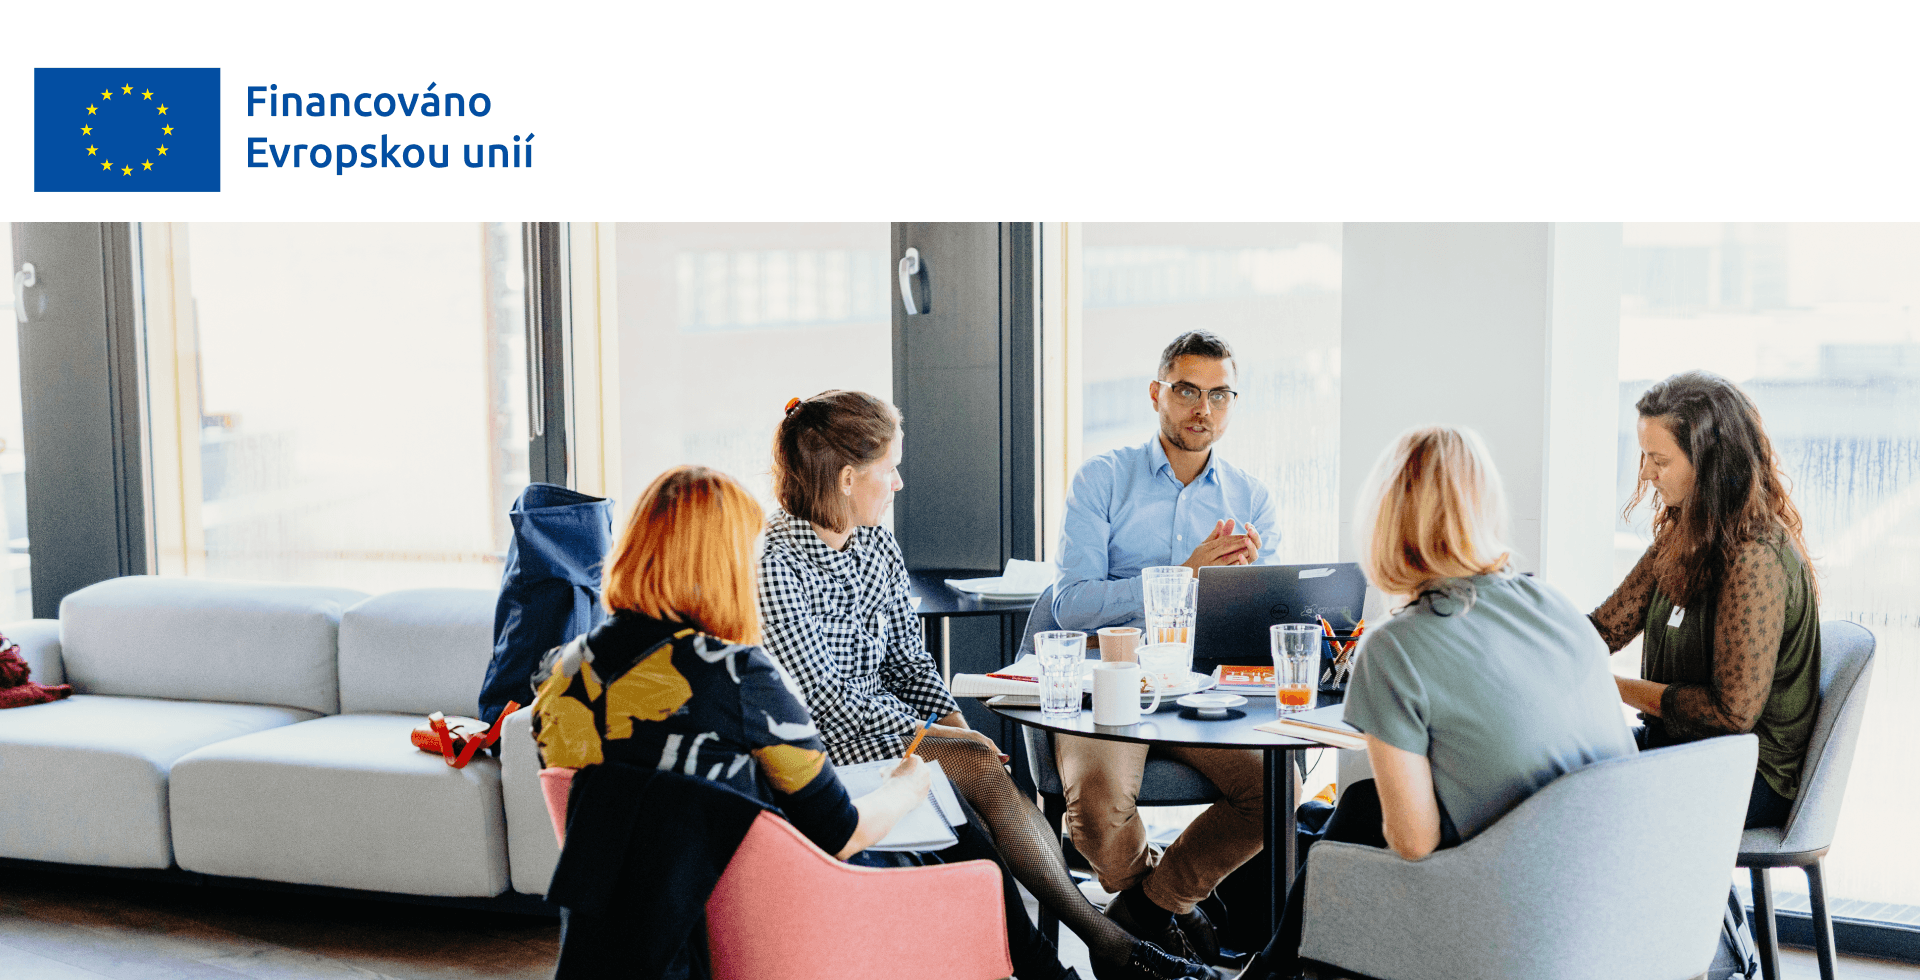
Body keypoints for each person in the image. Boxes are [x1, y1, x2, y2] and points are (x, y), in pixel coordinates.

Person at [530, 465, 1077, 980]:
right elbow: (840, 834)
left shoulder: (558, 674)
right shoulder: (738, 674)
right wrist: (907, 787)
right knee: (960, 835)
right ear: (725, 567)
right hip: (773, 909)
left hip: (656, 914)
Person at [758, 391, 1212, 980]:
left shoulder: (875, 544)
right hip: (824, 751)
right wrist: (945, 742)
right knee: (976, 783)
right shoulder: (775, 562)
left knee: (979, 779)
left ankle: (1086, 957)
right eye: (890, 469)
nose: (898, 483)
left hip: (886, 734)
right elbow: (826, 704)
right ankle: (1104, 949)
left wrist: (957, 730)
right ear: (847, 479)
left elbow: (908, 664)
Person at [1237, 425, 1637, 980]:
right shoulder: (1556, 606)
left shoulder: (1396, 646)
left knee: (1352, 832)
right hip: (1616, 904)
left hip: (1513, 927)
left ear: (1385, 518)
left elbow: (1414, 843)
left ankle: (1265, 971)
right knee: (1357, 806)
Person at [1050, 330, 1275, 965]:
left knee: (1274, 792)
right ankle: (1164, 907)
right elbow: (1072, 606)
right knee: (1097, 815)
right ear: (1156, 394)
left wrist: (1249, 591)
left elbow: (1265, 619)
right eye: (1186, 390)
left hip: (1198, 685)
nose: (1203, 408)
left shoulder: (1251, 499)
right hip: (1109, 680)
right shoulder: (1101, 480)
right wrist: (1182, 577)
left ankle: (1146, 912)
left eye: (1219, 395)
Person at [1590, 371, 1821, 829]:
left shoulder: (1756, 558)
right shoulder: (1686, 532)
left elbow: (1729, 714)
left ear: (1709, 464)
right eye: (1643, 457)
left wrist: (1607, 686)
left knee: (1578, 799)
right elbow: (1604, 629)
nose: (1645, 473)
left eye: (1659, 460)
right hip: (1682, 753)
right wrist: (1528, 635)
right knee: (1548, 764)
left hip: (1747, 776)